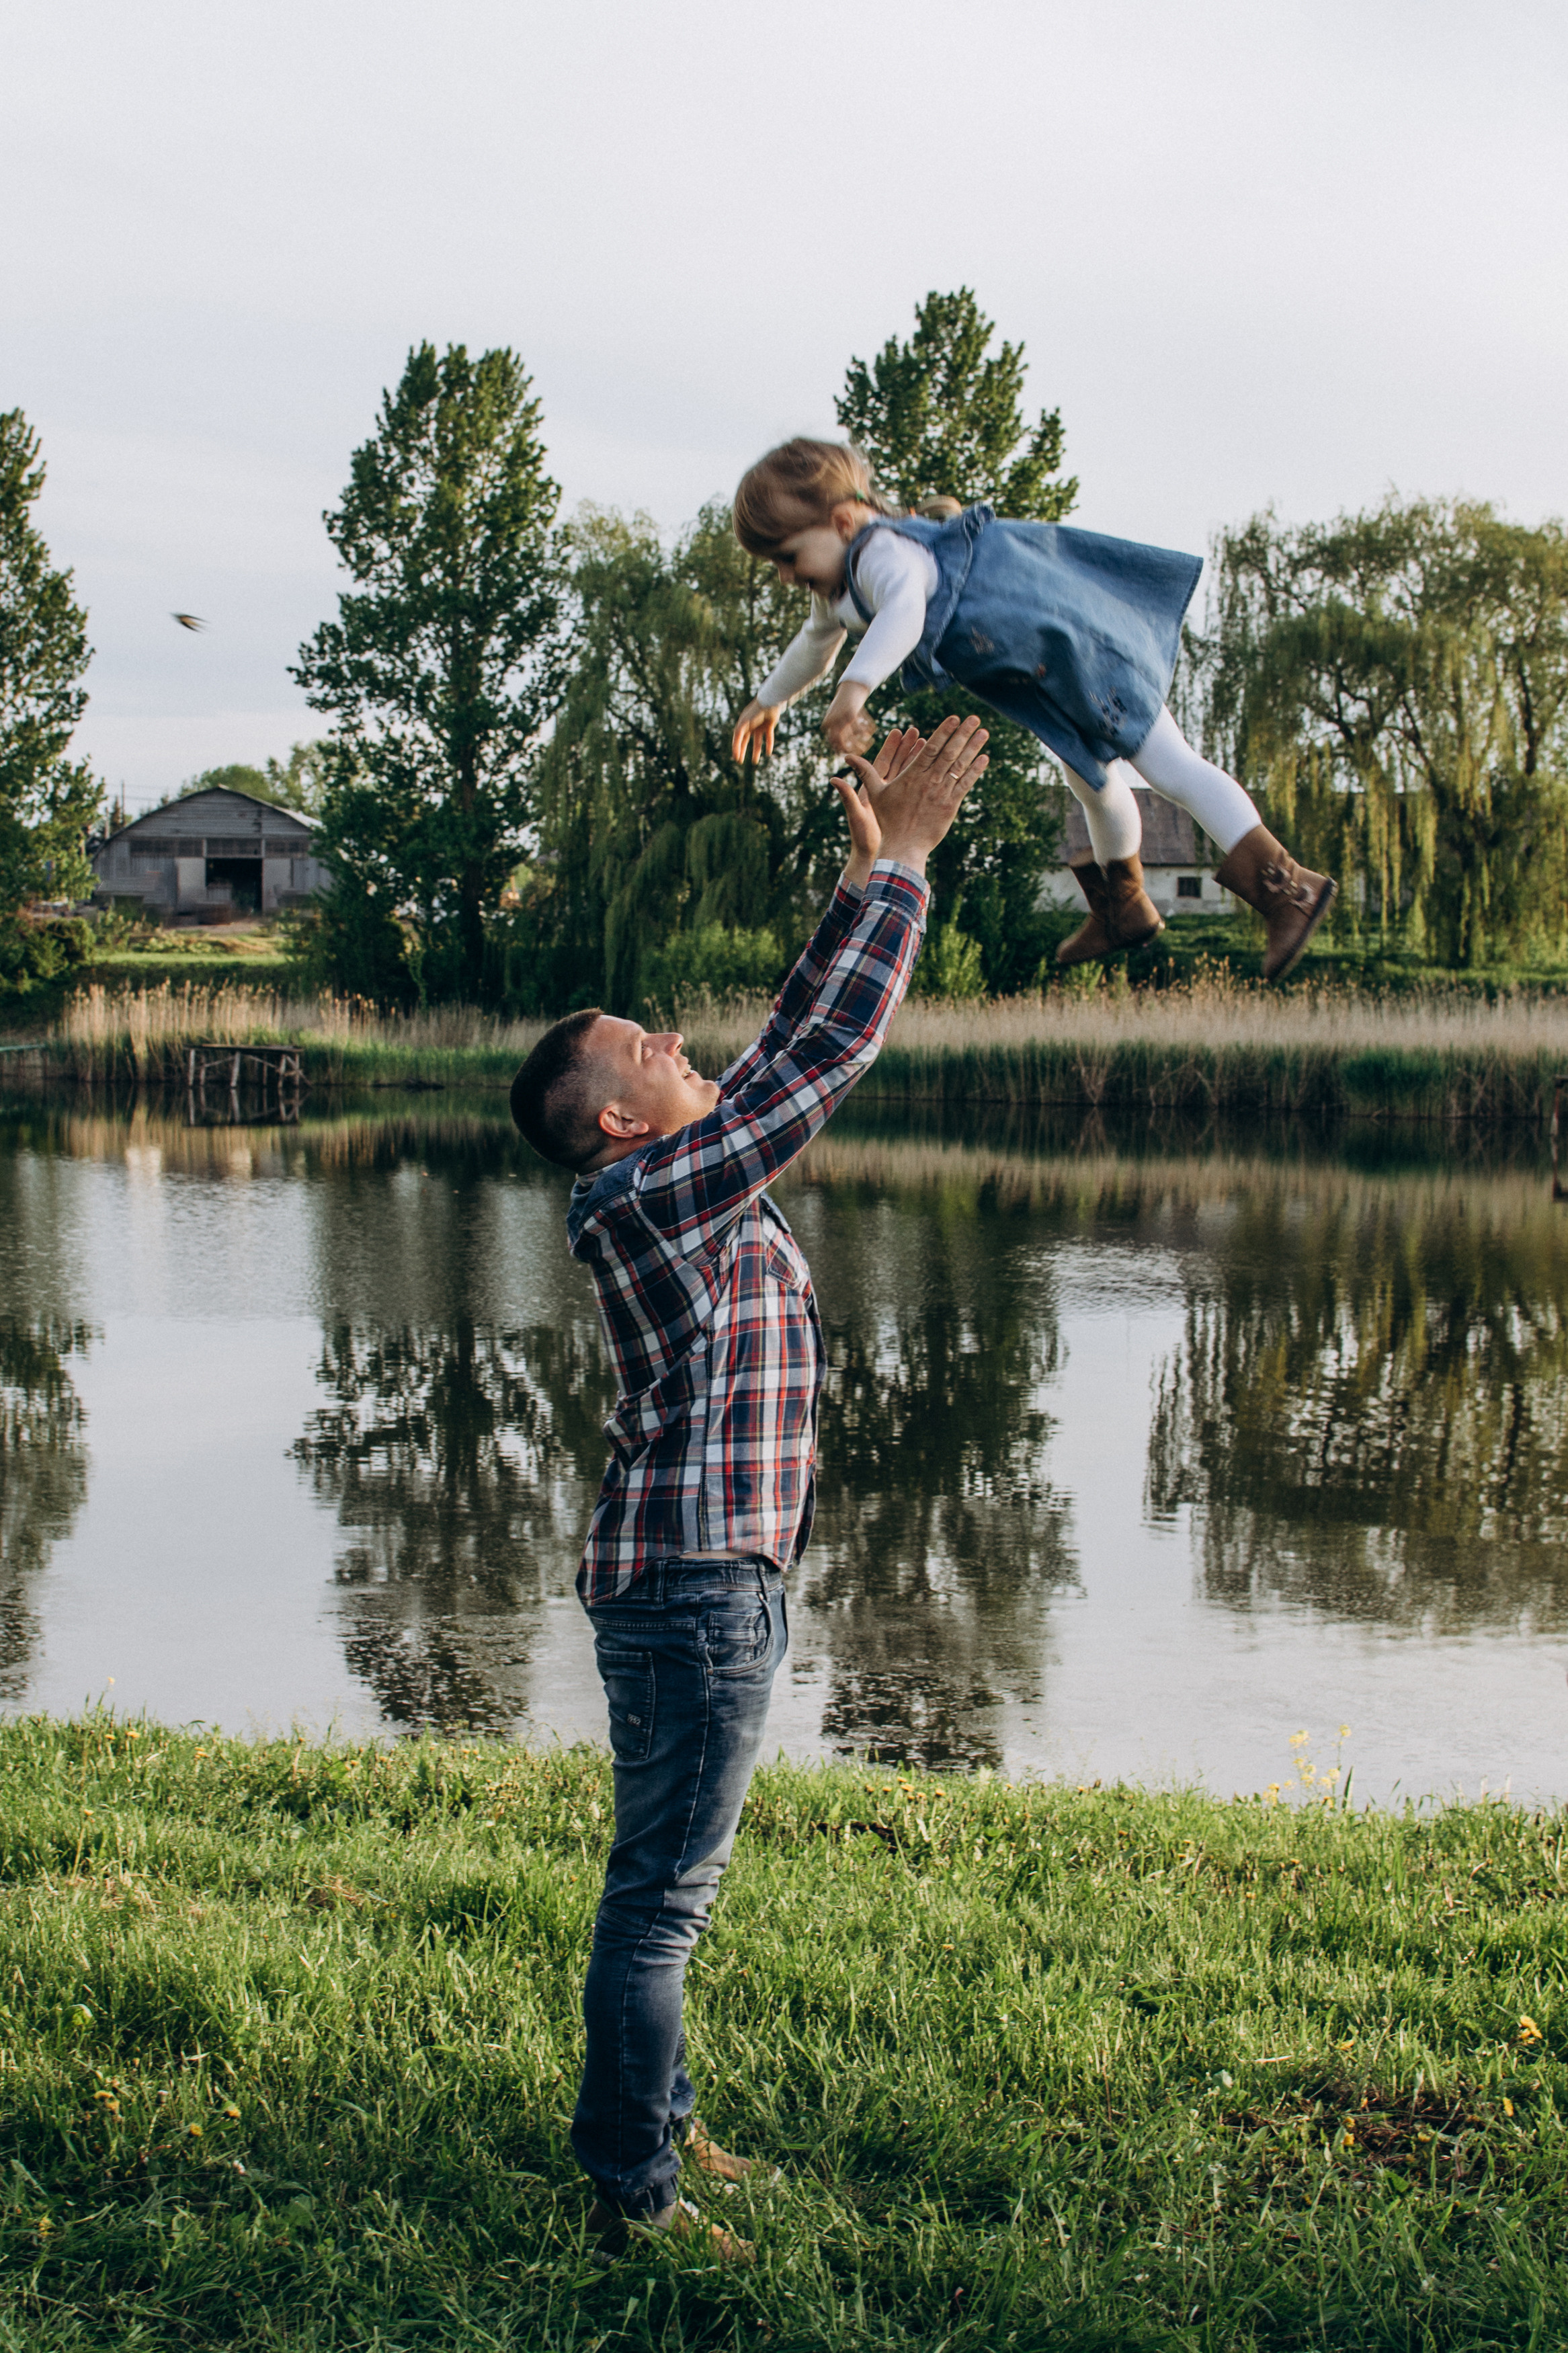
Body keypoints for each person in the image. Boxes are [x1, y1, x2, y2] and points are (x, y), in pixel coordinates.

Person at [508, 714, 991, 2260]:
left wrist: (865, 885)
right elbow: (823, 1061)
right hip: (697, 1587)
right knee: (660, 1901)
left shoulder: (675, 1178)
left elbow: (786, 1040)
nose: (672, 1038)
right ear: (615, 1118)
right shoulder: (648, 1195)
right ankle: (630, 2197)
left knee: (666, 1887)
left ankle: (650, 2130)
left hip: (710, 1581)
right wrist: (908, 865)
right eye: (643, 1045)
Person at [730, 436, 1336, 982]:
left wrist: (854, 689)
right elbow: (814, 642)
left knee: (1170, 767)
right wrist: (769, 699)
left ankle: (1289, 890)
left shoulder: (883, 553)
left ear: (841, 521)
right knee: (1092, 784)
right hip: (1045, 676)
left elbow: (905, 611)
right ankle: (1123, 906)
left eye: (788, 557)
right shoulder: (839, 585)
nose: (786, 576)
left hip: (1080, 651)